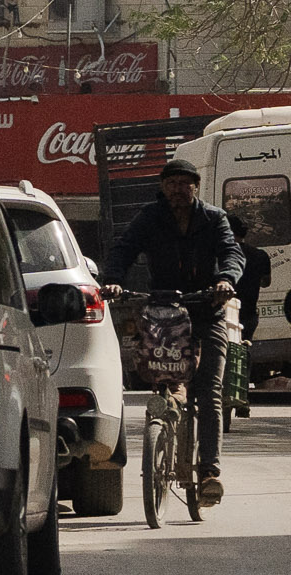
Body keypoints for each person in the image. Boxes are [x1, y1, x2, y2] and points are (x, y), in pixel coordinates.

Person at [102, 155, 245, 499]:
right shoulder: (150, 218)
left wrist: (226, 279)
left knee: (209, 394)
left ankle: (210, 471)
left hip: (206, 310)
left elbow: (231, 253)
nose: (178, 190)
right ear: (163, 188)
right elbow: (124, 249)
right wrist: (114, 281)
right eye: (171, 184)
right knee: (162, 380)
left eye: (184, 183)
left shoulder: (214, 218)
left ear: (195, 187)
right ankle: (169, 412)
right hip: (163, 312)